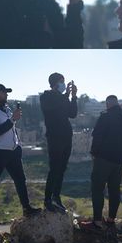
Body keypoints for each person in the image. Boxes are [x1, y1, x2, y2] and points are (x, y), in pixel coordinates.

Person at [0, 83, 41, 230]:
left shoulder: (6, 109)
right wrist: (13, 119)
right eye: (4, 93)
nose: (7, 95)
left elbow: (10, 128)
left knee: (21, 180)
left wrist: (17, 144)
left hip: (12, 151)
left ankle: (26, 209)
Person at [85, 96, 122, 229]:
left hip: (103, 159)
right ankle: (111, 219)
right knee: (115, 189)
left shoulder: (105, 117)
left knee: (97, 188)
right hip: (120, 162)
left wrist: (94, 154)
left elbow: (97, 137)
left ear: (108, 104)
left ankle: (97, 221)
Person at [40, 73, 78, 213]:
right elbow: (52, 107)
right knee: (54, 169)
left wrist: (73, 96)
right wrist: (66, 95)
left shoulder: (63, 98)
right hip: (54, 137)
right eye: (62, 82)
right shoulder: (46, 97)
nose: (64, 84)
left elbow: (72, 113)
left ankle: (56, 196)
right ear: (55, 83)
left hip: (66, 137)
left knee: (61, 169)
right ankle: (47, 199)